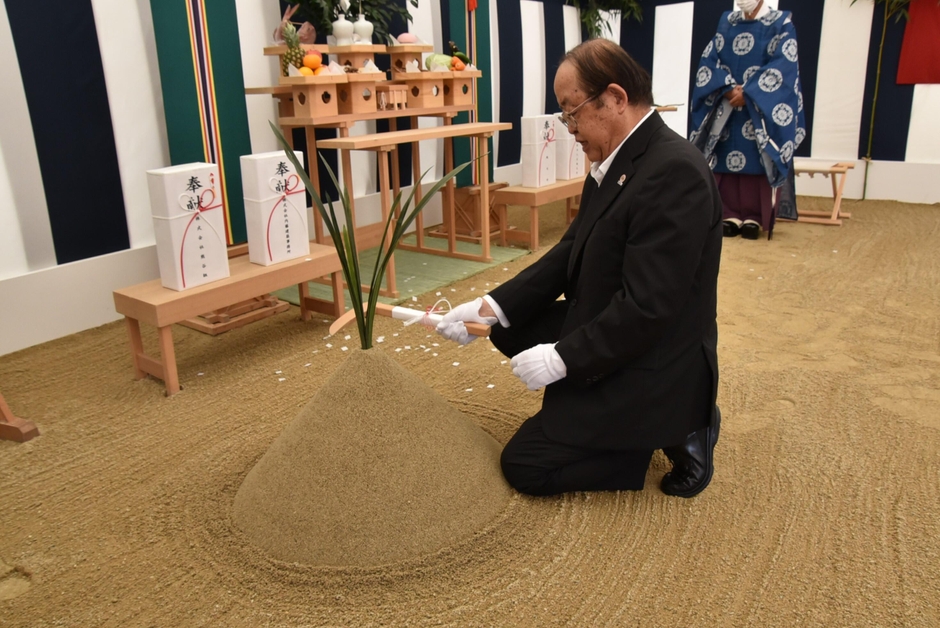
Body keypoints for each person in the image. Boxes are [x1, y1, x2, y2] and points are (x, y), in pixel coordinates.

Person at [436, 38, 723, 498]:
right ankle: (615, 420)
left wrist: (563, 358)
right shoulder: (617, 158)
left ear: (615, 98)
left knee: (525, 466)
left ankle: (677, 427)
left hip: (656, 353)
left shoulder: (675, 172)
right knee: (510, 327)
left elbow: (648, 309)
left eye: (572, 112)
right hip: (616, 324)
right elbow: (570, 251)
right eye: (564, 116)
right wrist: (489, 307)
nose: (569, 128)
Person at [689, 0, 805, 240]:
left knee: (758, 157)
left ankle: (755, 216)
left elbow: (784, 65)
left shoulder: (781, 23)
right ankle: (728, 213)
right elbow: (710, 60)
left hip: (761, 108)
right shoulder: (726, 22)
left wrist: (750, 92)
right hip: (728, 106)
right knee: (724, 156)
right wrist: (727, 88)